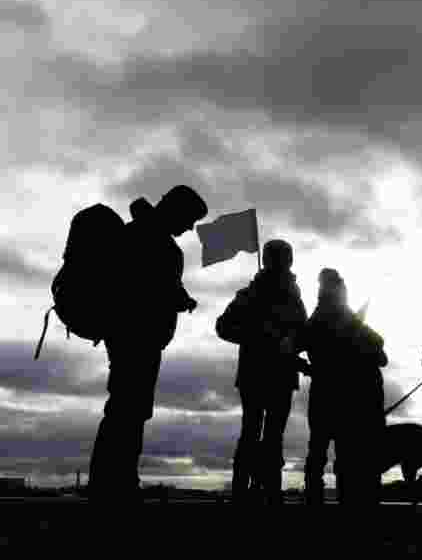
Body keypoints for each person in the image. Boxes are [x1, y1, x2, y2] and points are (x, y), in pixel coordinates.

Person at [88, 185, 208, 503]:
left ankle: (115, 480)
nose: (190, 228)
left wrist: (180, 299)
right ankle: (113, 483)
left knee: (129, 408)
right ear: (175, 210)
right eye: (190, 219)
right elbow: (146, 287)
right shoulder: (154, 241)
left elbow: (162, 286)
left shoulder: (139, 233)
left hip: (134, 335)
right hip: (136, 336)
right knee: (127, 409)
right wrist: (177, 300)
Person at [216, 239, 307, 504]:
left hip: (280, 375)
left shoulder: (294, 298)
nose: (284, 263)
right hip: (256, 375)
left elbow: (302, 335)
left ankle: (269, 491)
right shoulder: (249, 295)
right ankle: (243, 492)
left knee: (271, 436)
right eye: (281, 258)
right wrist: (258, 336)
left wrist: (293, 347)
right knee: (253, 433)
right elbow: (223, 327)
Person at [298, 268, 387, 506]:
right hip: (343, 396)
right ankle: (343, 501)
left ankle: (315, 499)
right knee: (339, 453)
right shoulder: (343, 318)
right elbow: (379, 350)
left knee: (319, 451)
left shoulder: (318, 319)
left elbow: (293, 345)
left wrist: (305, 366)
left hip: (327, 393)